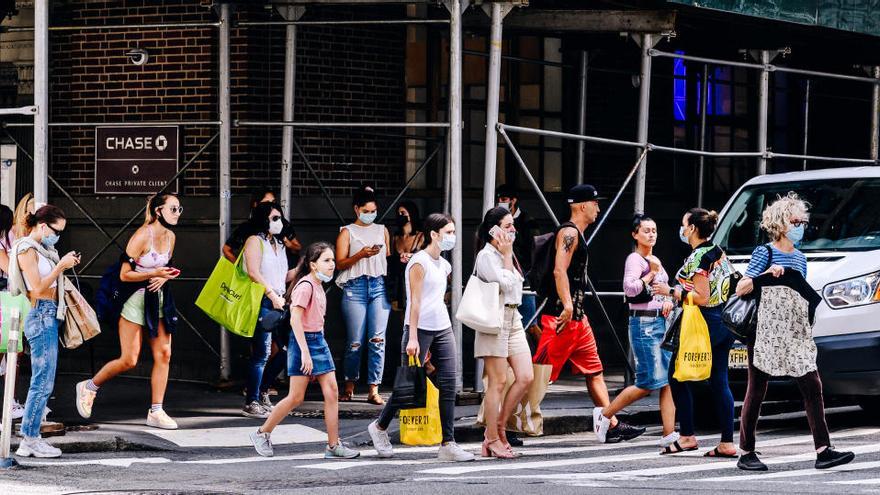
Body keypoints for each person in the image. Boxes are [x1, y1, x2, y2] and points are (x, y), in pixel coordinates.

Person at [734, 193, 854, 471]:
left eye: (802, 221)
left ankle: (824, 450)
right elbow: (743, 287)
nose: (801, 226)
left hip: (794, 332)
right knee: (757, 389)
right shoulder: (764, 252)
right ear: (781, 223)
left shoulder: (801, 258)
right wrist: (768, 275)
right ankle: (746, 452)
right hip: (764, 332)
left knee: (813, 385)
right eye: (795, 220)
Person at [533, 184, 644, 444]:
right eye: (595, 203)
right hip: (562, 318)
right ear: (582, 205)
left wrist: (576, 312)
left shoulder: (577, 234)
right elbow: (559, 271)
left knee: (594, 371)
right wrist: (568, 306)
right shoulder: (569, 232)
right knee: (539, 374)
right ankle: (511, 422)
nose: (598, 208)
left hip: (578, 319)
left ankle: (611, 423)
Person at [367, 213, 474, 462]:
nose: (452, 237)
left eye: (453, 232)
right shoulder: (419, 262)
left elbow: (438, 298)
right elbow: (414, 301)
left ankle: (448, 443)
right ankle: (380, 427)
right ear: (433, 235)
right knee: (409, 385)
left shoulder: (444, 265)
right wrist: (413, 337)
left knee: (448, 384)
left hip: (442, 326)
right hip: (419, 328)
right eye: (448, 232)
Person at [75, 194, 182, 429]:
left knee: (164, 354)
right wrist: (153, 274)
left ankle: (156, 410)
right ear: (158, 211)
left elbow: (164, 267)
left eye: (179, 209)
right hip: (133, 300)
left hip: (158, 300)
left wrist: (164, 277)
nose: (177, 213)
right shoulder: (143, 236)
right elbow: (125, 274)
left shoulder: (171, 236)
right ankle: (89, 386)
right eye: (173, 208)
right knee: (129, 359)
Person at [249, 242, 360, 459]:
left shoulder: (318, 285)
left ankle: (333, 445)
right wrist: (305, 353)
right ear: (312, 264)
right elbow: (296, 321)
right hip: (304, 343)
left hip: (318, 340)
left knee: (332, 392)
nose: (332, 265)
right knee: (295, 397)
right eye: (326, 261)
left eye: (332, 260)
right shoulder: (306, 286)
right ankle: (262, 433)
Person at [651, 208, 736, 457]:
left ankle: (687, 436)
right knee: (720, 380)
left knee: (676, 375)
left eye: (683, 224)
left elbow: (701, 297)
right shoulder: (717, 251)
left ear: (692, 229)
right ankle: (727, 442)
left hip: (702, 323)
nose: (681, 229)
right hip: (724, 321)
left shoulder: (698, 258)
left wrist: (671, 292)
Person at [593, 214, 677, 451]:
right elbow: (630, 290)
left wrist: (667, 300)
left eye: (654, 230)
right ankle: (605, 415)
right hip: (644, 325)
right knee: (647, 382)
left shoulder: (654, 258)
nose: (651, 234)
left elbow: (659, 293)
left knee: (667, 381)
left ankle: (669, 434)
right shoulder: (635, 259)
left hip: (660, 323)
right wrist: (650, 273)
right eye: (646, 230)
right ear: (635, 234)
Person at [9, 205, 80, 457]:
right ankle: (29, 439)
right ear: (42, 226)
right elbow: (37, 289)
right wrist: (60, 266)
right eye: (56, 230)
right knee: (42, 380)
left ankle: (31, 438)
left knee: (44, 380)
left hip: (49, 313)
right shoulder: (27, 248)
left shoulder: (44, 250)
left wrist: (60, 263)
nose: (57, 236)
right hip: (40, 313)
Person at [474, 207, 534, 458]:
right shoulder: (487, 257)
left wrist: (508, 255)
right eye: (508, 226)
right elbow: (507, 283)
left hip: (514, 318)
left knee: (526, 376)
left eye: (513, 225)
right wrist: (508, 255)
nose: (513, 230)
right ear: (493, 230)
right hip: (494, 321)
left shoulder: (505, 255)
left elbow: (517, 290)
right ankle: (491, 438)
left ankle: (499, 426)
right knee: (497, 382)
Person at [238, 202, 298, 419]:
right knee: (262, 352)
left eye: (279, 218)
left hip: (280, 301)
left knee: (286, 350)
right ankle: (251, 401)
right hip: (263, 300)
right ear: (263, 220)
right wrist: (271, 295)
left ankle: (262, 391)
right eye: (274, 218)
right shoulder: (254, 241)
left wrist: (302, 267)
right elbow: (253, 272)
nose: (278, 222)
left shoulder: (280, 245)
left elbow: (283, 276)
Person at [335, 186, 391, 405]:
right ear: (356, 209)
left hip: (378, 285)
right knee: (355, 341)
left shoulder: (382, 230)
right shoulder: (347, 231)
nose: (370, 214)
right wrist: (360, 254)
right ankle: (349, 385)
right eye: (366, 210)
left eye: (373, 210)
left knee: (377, 339)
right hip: (355, 287)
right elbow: (340, 263)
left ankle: (374, 388)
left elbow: (387, 258)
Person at [496, 185, 540, 336]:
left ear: (513, 201)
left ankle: (546, 357)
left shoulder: (528, 221)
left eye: (503, 199)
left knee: (531, 324)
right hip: (503, 276)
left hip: (523, 277)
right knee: (504, 324)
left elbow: (534, 250)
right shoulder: (495, 222)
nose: (499, 202)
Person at [223, 189, 301, 265]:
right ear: (256, 205)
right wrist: (240, 269)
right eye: (266, 203)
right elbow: (226, 250)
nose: (271, 206)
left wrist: (287, 242)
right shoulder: (246, 227)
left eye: (273, 202)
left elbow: (297, 247)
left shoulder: (282, 223)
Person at [0, 204, 25, 421]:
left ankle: (12, 401)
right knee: (10, 351)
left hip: (8, 302)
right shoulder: (2, 244)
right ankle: (11, 403)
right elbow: (11, 270)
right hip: (5, 304)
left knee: (13, 353)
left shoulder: (8, 240)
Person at [388, 200, 423, 312]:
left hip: (416, 282)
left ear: (411, 214)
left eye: (403, 213)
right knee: (404, 319)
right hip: (400, 284)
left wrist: (412, 256)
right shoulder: (396, 237)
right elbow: (391, 261)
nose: (400, 216)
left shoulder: (421, 236)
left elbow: (426, 259)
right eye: (398, 214)